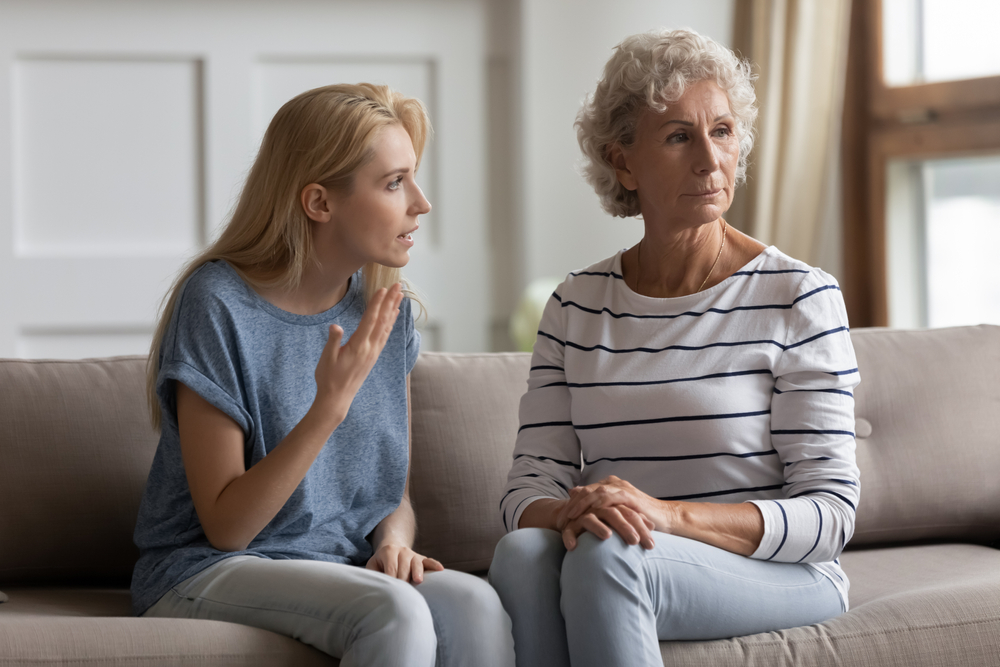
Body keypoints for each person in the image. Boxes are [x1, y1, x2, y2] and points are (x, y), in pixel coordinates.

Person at [489, 28, 860, 667]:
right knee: (522, 554)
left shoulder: (799, 295)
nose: (710, 159)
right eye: (679, 136)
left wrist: (663, 515)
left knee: (610, 554)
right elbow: (525, 491)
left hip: (782, 571)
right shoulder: (575, 305)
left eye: (722, 131)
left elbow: (829, 514)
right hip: (632, 546)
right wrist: (579, 509)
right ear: (623, 161)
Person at [131, 83, 514, 667]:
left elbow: (394, 496)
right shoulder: (217, 303)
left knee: (478, 605)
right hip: (209, 568)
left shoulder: (387, 310)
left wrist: (393, 542)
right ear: (319, 202)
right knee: (395, 610)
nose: (421, 202)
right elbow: (228, 527)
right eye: (394, 183)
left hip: (339, 568)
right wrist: (327, 407)